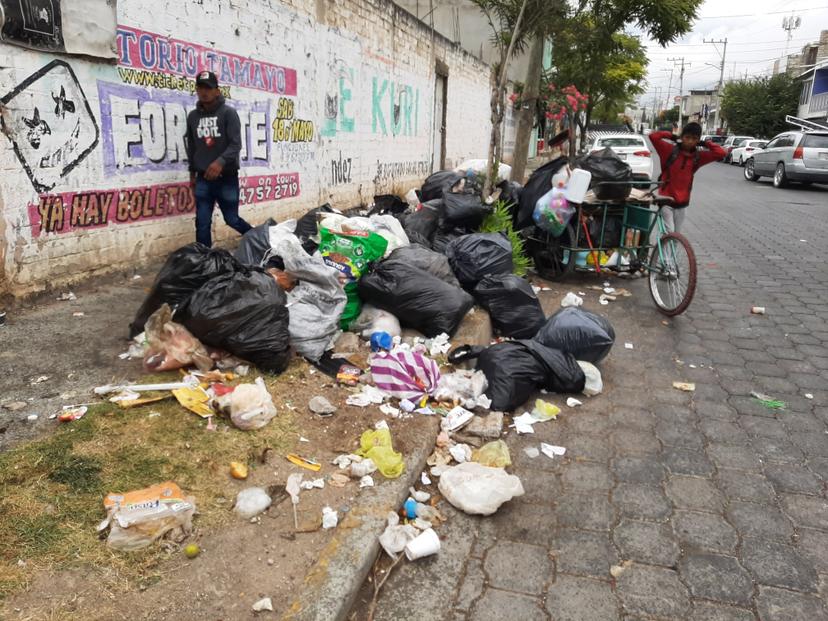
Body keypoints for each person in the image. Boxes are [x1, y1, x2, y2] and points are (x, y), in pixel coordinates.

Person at [185, 71, 251, 247]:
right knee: (202, 223)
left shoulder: (228, 114)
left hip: (226, 178)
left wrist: (220, 162)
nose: (204, 92)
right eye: (200, 88)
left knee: (232, 219)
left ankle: (259, 239)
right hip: (203, 180)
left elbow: (235, 144)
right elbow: (192, 147)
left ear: (217, 91)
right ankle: (205, 263)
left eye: (208, 88)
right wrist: (192, 174)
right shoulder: (193, 117)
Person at [649, 122, 726, 233]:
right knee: (670, 232)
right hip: (666, 200)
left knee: (677, 236)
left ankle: (662, 250)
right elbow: (653, 136)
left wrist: (705, 143)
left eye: (694, 138)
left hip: (682, 203)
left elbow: (721, 153)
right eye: (687, 137)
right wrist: (672, 136)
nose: (690, 141)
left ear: (698, 140)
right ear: (682, 137)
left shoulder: (698, 157)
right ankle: (664, 249)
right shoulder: (669, 150)